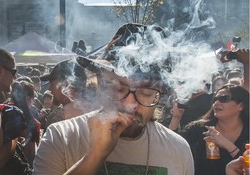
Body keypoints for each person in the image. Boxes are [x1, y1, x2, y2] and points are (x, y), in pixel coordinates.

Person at [33, 23, 194, 175]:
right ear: (99, 84)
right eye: (117, 89)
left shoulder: (178, 149)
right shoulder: (61, 137)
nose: (130, 104)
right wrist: (94, 156)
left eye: (145, 93)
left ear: (160, 93)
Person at [172, 84, 249, 175]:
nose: (216, 103)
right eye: (215, 100)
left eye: (224, 99)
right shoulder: (199, 129)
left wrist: (228, 145)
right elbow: (173, 148)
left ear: (241, 106)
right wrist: (176, 118)